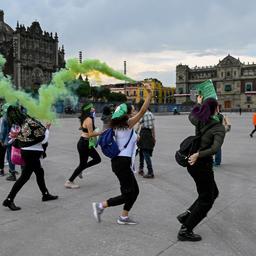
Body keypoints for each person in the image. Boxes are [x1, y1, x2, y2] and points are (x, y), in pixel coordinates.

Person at [92, 83, 152, 225]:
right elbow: (143, 111)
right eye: (132, 109)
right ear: (127, 113)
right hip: (121, 163)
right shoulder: (127, 124)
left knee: (134, 191)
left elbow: (129, 139)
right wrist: (149, 94)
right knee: (128, 194)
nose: (134, 111)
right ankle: (100, 206)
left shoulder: (117, 125)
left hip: (120, 163)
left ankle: (123, 217)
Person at [177, 96, 225, 241]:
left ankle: (188, 213)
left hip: (192, 163)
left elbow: (192, 115)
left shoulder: (200, 121)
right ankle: (186, 229)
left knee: (212, 192)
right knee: (207, 200)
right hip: (201, 164)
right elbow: (215, 148)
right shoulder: (218, 128)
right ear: (216, 109)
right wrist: (199, 154)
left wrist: (198, 104)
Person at [2, 106, 58, 211]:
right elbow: (43, 139)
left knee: (39, 172)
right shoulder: (29, 122)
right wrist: (47, 128)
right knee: (25, 177)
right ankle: (9, 199)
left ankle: (45, 194)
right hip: (32, 153)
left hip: (27, 152)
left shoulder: (19, 124)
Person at [64, 103, 102, 189]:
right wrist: (101, 132)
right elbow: (91, 134)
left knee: (88, 162)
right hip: (85, 144)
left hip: (84, 143)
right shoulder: (88, 119)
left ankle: (79, 171)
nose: (93, 108)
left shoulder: (85, 118)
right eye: (92, 107)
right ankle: (69, 181)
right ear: (89, 109)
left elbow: (82, 128)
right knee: (94, 160)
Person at [137, 104, 156, 178]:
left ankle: (150, 172)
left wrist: (135, 134)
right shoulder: (151, 114)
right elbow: (153, 127)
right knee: (142, 151)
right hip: (149, 134)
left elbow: (138, 125)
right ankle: (141, 168)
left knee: (145, 153)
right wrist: (154, 137)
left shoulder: (142, 114)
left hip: (143, 133)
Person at [0, 103, 17, 181]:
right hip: (16, 139)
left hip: (9, 140)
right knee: (17, 154)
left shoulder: (5, 118)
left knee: (10, 156)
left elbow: (3, 132)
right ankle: (23, 170)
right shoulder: (16, 116)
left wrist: (1, 140)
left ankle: (12, 173)